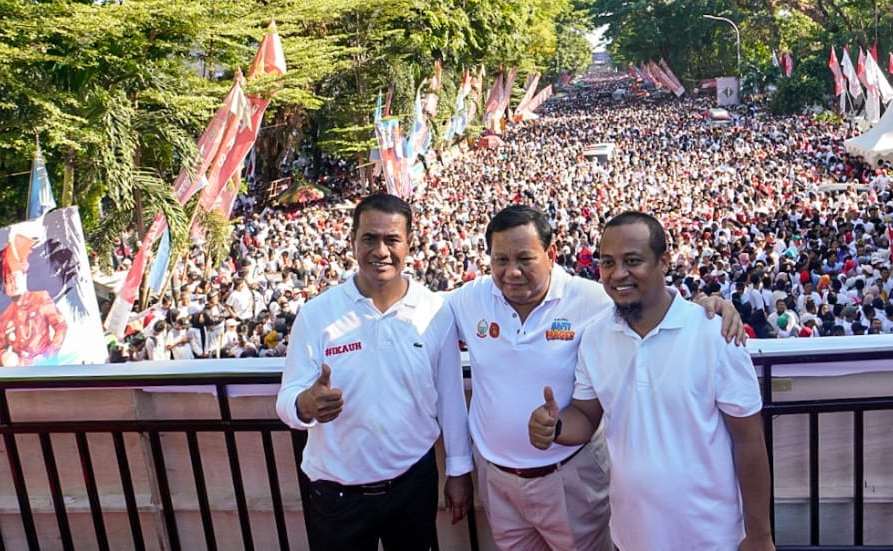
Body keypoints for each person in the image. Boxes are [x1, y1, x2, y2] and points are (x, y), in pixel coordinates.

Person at [446, 204, 744, 551]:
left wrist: (708, 305)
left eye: (524, 259)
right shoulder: (469, 299)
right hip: (497, 483)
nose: (511, 272)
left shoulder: (593, 299)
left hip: (570, 477)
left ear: (551, 253)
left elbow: (651, 304)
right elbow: (422, 317)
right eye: (500, 260)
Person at [527, 211, 775, 551]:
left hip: (711, 538)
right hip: (629, 537)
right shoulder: (596, 337)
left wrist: (760, 536)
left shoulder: (714, 333)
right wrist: (554, 427)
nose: (618, 274)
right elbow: (585, 417)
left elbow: (749, 441)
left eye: (633, 261)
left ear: (664, 261)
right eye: (608, 263)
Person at [275, 194, 472, 551]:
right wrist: (305, 405)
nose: (380, 250)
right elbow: (287, 399)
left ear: (409, 244)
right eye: (369, 238)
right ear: (353, 242)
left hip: (413, 484)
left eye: (392, 239)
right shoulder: (317, 314)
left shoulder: (435, 311)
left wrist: (459, 471)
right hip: (336, 494)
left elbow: (451, 401)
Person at [0, 233, 68, 367]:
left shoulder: (41, 298)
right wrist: (3, 357)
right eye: (8, 281)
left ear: (24, 276)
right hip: (21, 375)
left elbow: (61, 325)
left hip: (46, 368)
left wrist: (50, 353)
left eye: (15, 277)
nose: (13, 284)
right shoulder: (5, 316)